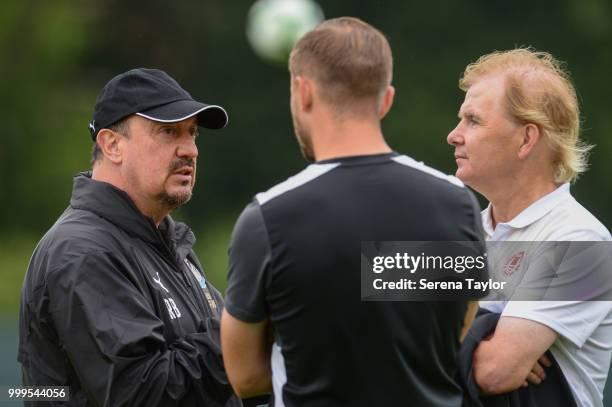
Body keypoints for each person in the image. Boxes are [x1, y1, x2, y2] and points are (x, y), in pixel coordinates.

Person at [221, 17, 487, 407]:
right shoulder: (457, 203)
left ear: (303, 92)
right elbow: (454, 334)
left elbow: (244, 377)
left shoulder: (267, 219)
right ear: (386, 99)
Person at [18, 68, 243, 406]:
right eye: (168, 132)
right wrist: (242, 326)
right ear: (111, 145)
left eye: (192, 133)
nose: (190, 150)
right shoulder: (82, 251)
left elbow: (215, 383)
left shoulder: (167, 242)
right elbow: (143, 393)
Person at [447, 48, 612, 406]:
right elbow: (372, 331)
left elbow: (496, 373)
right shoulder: (457, 231)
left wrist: (458, 334)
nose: (453, 135)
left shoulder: (582, 240)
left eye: (473, 121)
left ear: (526, 139)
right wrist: (481, 338)